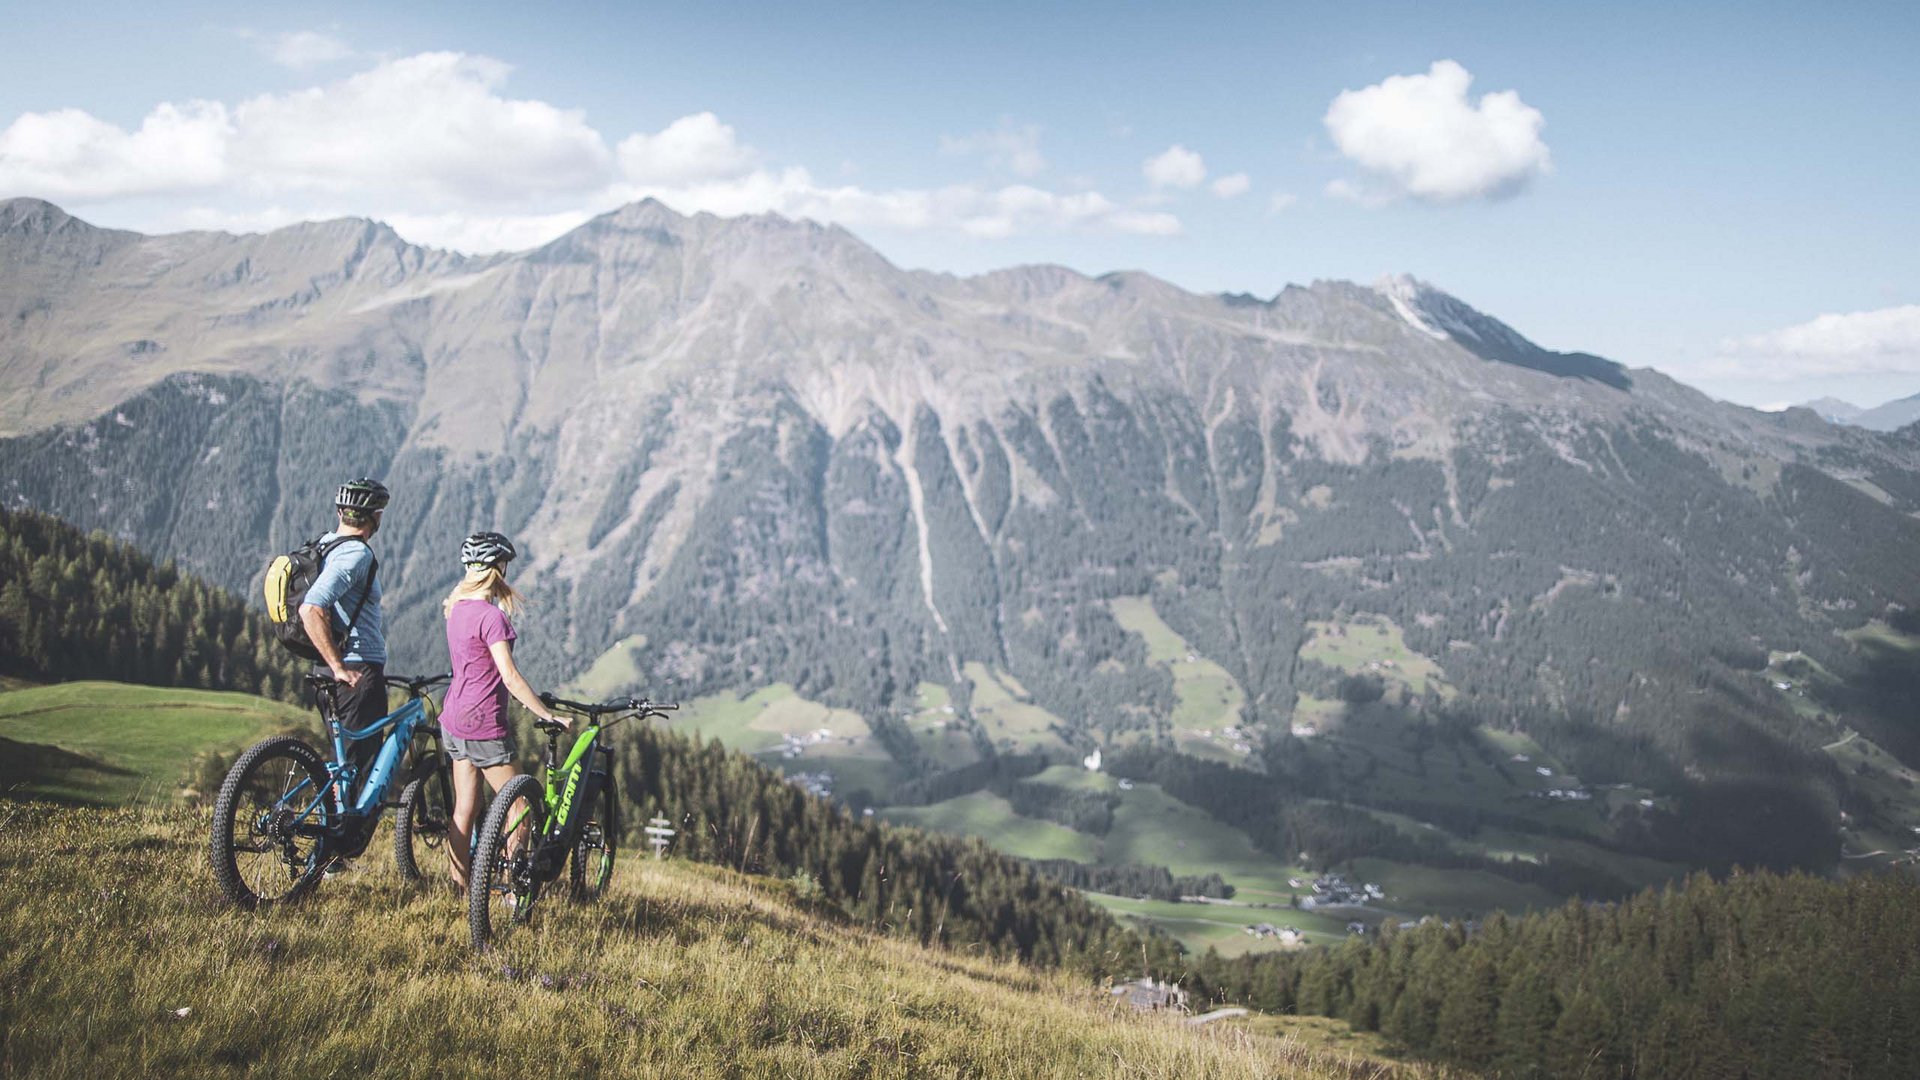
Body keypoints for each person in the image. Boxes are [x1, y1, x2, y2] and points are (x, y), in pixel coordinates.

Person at [441, 531, 565, 895]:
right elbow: (508, 676)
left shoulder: (456, 609)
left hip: (453, 719)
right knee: (519, 808)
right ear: (497, 570)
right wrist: (545, 713)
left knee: (465, 808)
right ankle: (515, 891)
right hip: (484, 725)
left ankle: (458, 888)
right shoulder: (492, 619)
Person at [300, 478, 391, 799]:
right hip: (354, 674)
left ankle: (334, 836)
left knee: (345, 765)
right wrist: (339, 666)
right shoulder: (356, 555)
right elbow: (311, 608)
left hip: (325, 669)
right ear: (375, 517)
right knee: (361, 773)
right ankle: (339, 842)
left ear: (341, 512)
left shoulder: (326, 544)